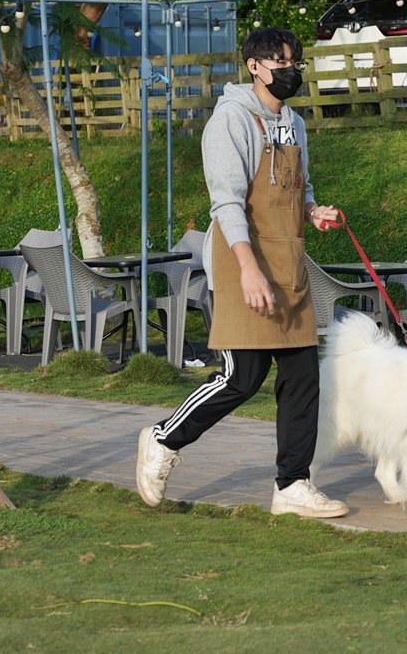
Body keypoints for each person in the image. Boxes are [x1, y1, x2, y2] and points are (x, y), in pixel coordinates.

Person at [136, 27, 348, 518]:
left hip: (289, 262)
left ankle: (293, 485)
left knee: (302, 376)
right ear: (255, 66)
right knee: (242, 377)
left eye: (296, 63)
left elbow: (301, 186)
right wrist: (250, 270)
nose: (291, 71)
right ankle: (163, 439)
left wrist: (314, 212)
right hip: (241, 262)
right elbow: (227, 203)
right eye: (282, 63)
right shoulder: (229, 121)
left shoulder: (292, 122)